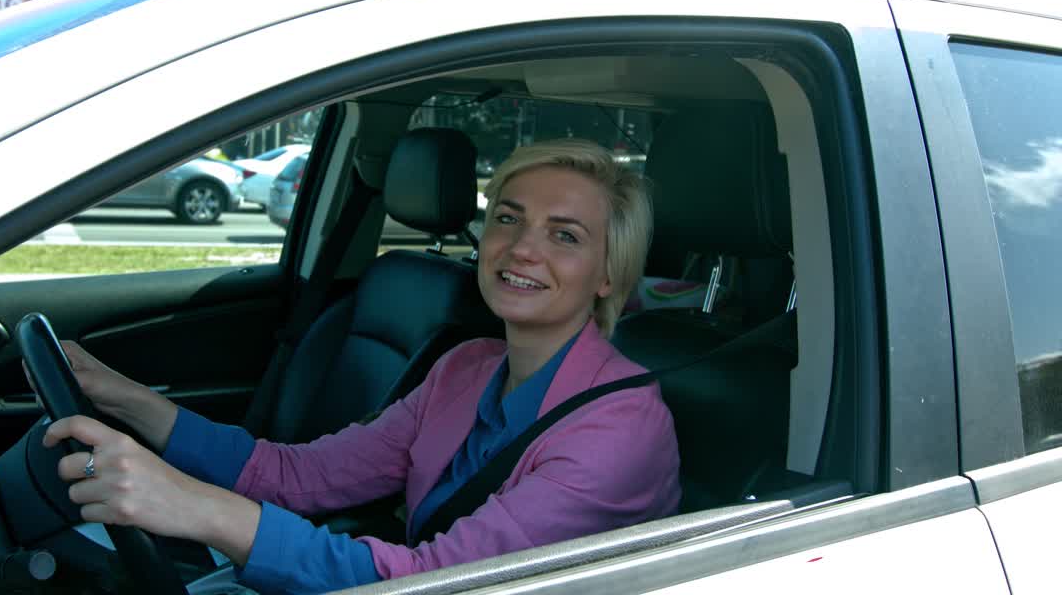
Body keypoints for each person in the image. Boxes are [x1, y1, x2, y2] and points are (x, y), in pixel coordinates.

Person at [42, 139, 681, 594]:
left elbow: (437, 583)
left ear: (607, 274)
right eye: (508, 219)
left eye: (564, 236)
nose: (520, 248)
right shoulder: (467, 366)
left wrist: (196, 508)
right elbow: (296, 475)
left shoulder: (618, 428)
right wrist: (123, 397)